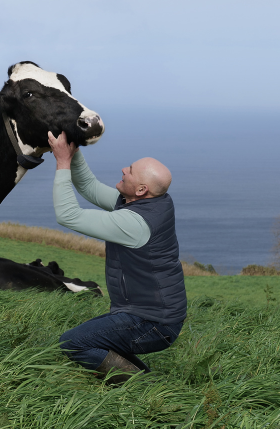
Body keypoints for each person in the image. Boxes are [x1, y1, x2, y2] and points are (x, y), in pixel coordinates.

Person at [47, 131, 186, 385]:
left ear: (142, 189)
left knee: (73, 343)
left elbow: (68, 215)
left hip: (152, 322)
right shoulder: (152, 201)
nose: (123, 169)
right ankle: (147, 383)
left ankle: (141, 388)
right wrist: (73, 152)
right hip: (153, 315)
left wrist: (62, 163)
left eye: (130, 171)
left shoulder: (135, 222)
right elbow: (89, 188)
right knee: (93, 339)